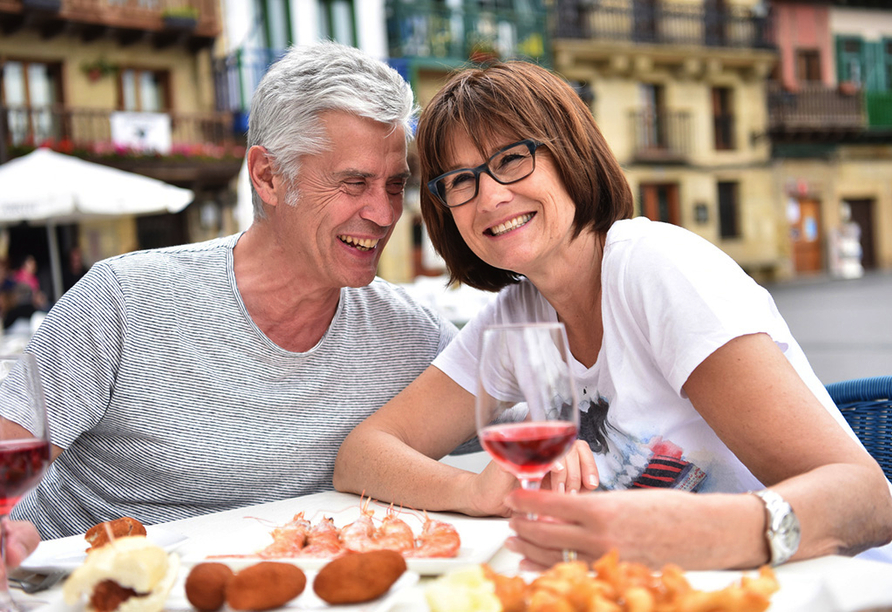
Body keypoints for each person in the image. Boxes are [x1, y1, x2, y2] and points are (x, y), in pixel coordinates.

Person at [334, 61, 892, 569]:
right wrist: (475, 491)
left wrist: (702, 532)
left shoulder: (655, 268)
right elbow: (363, 454)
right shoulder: (518, 317)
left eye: (511, 159)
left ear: (570, 154)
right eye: (460, 180)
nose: (490, 197)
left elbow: (867, 499)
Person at [0, 41, 456, 540]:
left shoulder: (411, 332)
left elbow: (526, 436)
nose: (386, 213)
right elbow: (9, 455)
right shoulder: (125, 302)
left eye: (395, 184)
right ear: (267, 176)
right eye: (353, 182)